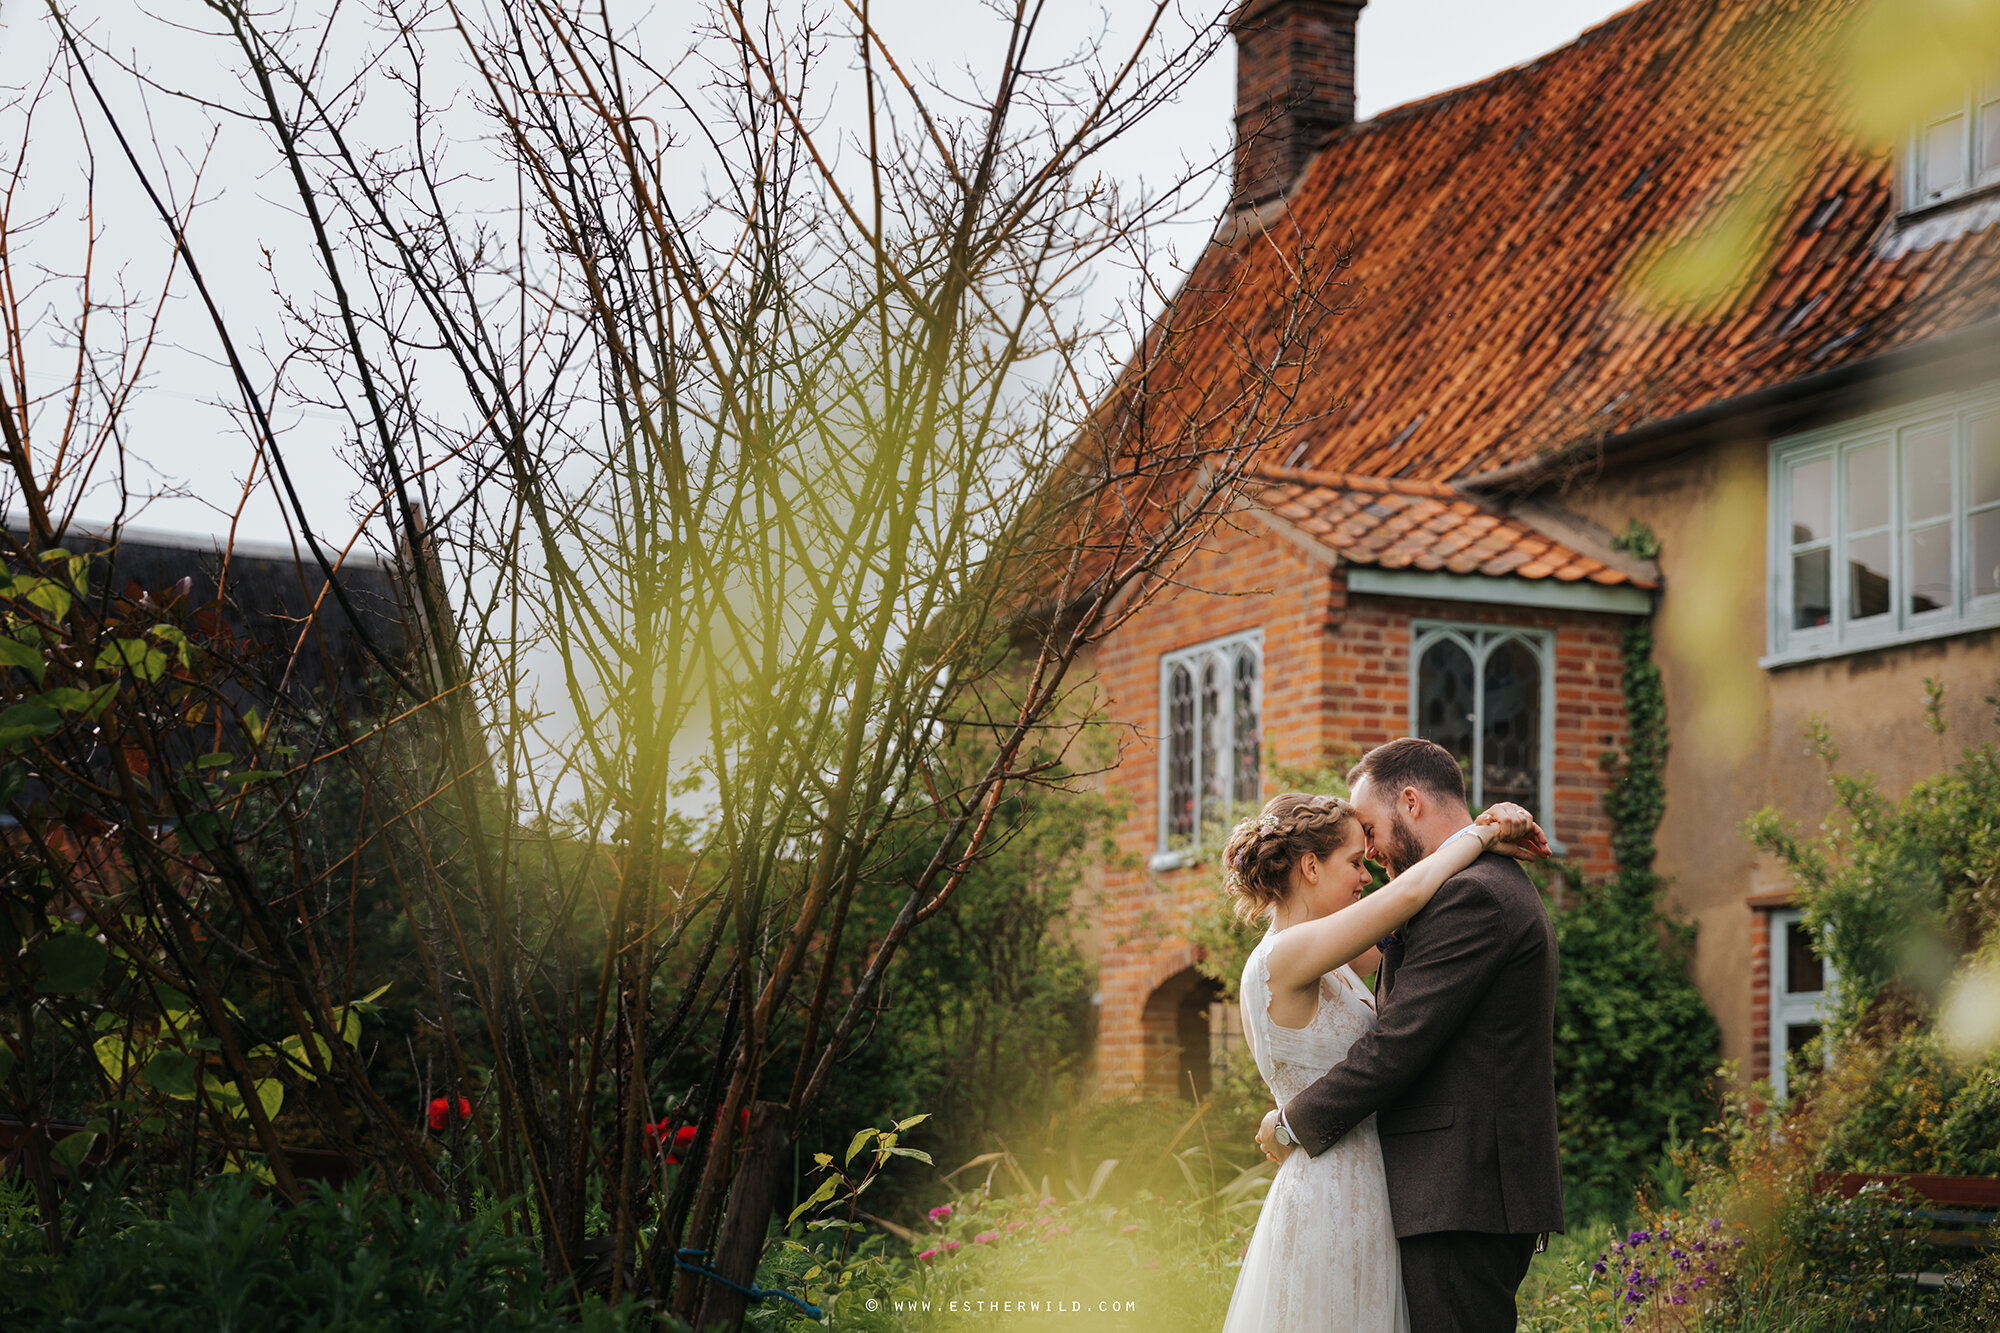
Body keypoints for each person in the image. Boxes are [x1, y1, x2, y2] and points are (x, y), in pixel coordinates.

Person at [1254, 738, 1565, 1333]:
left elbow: (1397, 1041)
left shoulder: (1472, 894)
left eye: (1369, 829)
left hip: (1461, 1192)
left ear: (1411, 802)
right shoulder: (1461, 886)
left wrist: (1293, 1122)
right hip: (1450, 1191)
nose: (1368, 853)